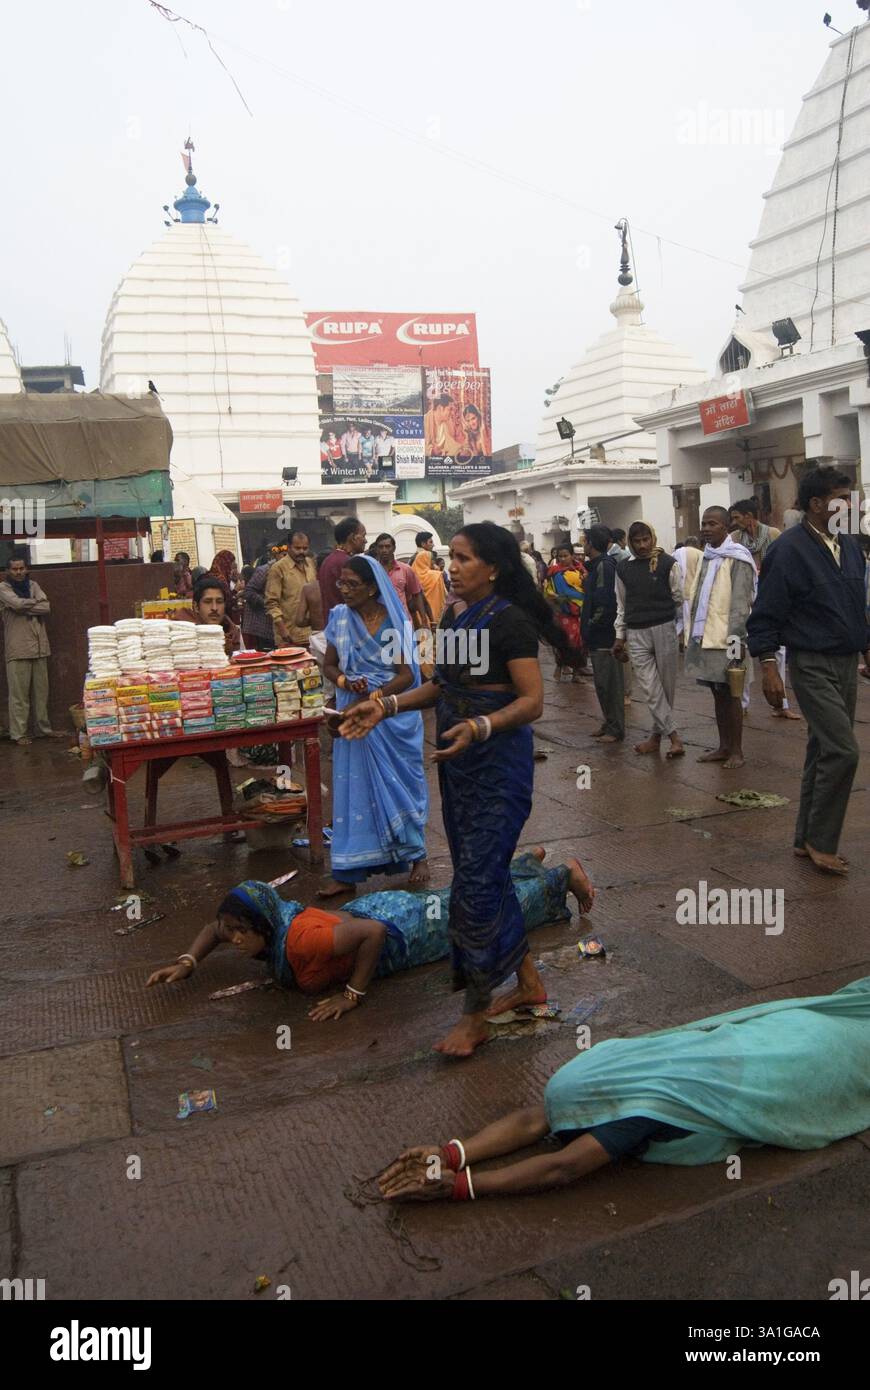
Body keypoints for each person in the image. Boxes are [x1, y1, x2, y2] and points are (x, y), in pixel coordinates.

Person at [340, 522, 577, 1057]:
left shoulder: (510, 622)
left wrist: (481, 727)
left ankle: (474, 1016)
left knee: (473, 887)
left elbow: (532, 700)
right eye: (453, 557)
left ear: (493, 567)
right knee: (486, 876)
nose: (455, 566)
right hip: (459, 769)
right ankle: (529, 984)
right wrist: (383, 706)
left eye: (466, 558)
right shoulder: (453, 617)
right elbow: (442, 686)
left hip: (498, 769)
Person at [376, 975, 870, 1202]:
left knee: (846, 1055)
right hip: (765, 1044)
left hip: (797, 1062)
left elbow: (561, 1167)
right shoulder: (600, 1072)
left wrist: (460, 1186)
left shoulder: (634, 1111)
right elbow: (537, 1118)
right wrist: (451, 1152)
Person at [146, 846, 594, 1012]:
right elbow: (213, 928)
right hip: (378, 908)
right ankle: (522, 864)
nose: (234, 940)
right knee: (451, 898)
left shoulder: (299, 938)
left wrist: (352, 995)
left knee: (472, 917)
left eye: (240, 933)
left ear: (259, 925)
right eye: (233, 934)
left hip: (398, 928)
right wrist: (187, 962)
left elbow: (373, 937)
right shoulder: (266, 918)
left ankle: (559, 877)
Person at [747, 465, 870, 875]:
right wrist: (768, 666)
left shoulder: (850, 546)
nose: (850, 505)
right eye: (842, 499)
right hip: (811, 663)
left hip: (846, 662)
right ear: (817, 504)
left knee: (822, 749)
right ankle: (822, 841)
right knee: (843, 750)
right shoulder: (789, 550)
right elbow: (764, 614)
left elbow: (857, 606)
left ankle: (804, 838)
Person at [321, 554, 429, 896]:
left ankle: (418, 855)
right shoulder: (339, 618)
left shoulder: (393, 621)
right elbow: (329, 665)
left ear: (372, 588)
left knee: (401, 786)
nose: (345, 590)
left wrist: (378, 698)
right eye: (342, 583)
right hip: (353, 712)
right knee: (354, 791)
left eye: (353, 584)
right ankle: (347, 872)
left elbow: (408, 675)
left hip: (389, 716)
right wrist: (343, 683)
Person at [684, 507, 756, 770]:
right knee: (717, 693)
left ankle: (736, 750)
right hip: (707, 637)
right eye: (703, 523)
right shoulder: (708, 556)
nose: (705, 528)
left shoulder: (739, 558)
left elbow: (740, 606)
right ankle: (723, 746)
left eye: (712, 523)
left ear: (726, 527)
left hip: (729, 641)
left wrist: (736, 647)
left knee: (732, 693)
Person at [613, 522, 684, 759]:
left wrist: (679, 628)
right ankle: (674, 737)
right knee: (651, 688)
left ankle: (655, 738)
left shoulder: (668, 564)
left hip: (664, 628)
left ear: (653, 538)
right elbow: (622, 605)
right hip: (636, 632)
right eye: (637, 541)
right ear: (631, 543)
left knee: (666, 688)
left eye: (646, 540)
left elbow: (678, 598)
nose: (642, 545)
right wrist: (619, 637)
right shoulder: (623, 568)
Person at [729, 498, 797, 721]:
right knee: (739, 650)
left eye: (737, 517)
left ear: (749, 516)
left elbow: (784, 564)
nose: (734, 522)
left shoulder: (773, 535)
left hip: (769, 596)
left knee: (778, 651)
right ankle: (740, 703)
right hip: (743, 598)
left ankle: (781, 704)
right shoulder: (735, 539)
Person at [0, 552, 63, 745]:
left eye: (21, 568)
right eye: (15, 569)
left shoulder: (33, 585)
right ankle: (19, 734)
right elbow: (16, 604)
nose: (19, 572)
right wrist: (31, 604)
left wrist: (25, 605)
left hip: (39, 647)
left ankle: (42, 729)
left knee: (41, 692)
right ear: (8, 571)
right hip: (18, 649)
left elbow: (46, 608)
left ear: (27, 569)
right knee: (19, 696)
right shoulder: (3, 588)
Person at [581, 525, 624, 743]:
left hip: (604, 635)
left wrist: (590, 625)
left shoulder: (604, 567)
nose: (583, 544)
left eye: (585, 540)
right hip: (598, 634)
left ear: (591, 542)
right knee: (601, 683)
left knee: (609, 684)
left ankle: (615, 728)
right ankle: (609, 723)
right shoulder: (597, 566)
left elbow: (605, 601)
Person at [264, 531, 317, 648]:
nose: (302, 552)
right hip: (289, 637)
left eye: (305, 548)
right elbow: (271, 603)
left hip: (311, 634)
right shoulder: (278, 568)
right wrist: (282, 630)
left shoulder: (311, 564)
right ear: (288, 547)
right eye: (297, 548)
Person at [543, 543, 587, 682]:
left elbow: (583, 589)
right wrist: (555, 597)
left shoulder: (580, 570)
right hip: (561, 612)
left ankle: (576, 673)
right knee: (562, 641)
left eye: (565, 555)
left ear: (572, 555)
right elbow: (547, 590)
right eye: (560, 556)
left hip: (578, 612)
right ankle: (560, 666)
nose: (562, 559)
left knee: (578, 643)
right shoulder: (553, 571)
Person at [319, 516, 367, 624]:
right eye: (363, 535)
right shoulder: (347, 563)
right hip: (347, 626)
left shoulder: (328, 560)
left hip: (332, 625)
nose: (365, 540)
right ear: (352, 537)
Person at [374, 533, 428, 627]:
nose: (384, 550)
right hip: (379, 624)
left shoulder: (405, 569)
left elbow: (417, 594)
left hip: (403, 622)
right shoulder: (372, 571)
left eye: (387, 546)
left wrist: (423, 619)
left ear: (394, 548)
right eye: (381, 547)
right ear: (376, 549)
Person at [179, 575, 241, 657]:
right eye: (208, 602)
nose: (214, 608)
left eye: (219, 602)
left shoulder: (233, 633)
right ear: (196, 607)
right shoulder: (183, 636)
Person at [411, 532, 447, 628]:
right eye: (430, 542)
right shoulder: (425, 556)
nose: (433, 545)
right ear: (423, 544)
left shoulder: (413, 560)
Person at [240, 558, 276, 652]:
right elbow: (249, 592)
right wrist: (267, 603)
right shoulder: (265, 570)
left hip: (276, 626)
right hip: (261, 626)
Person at [209, 550, 240, 623]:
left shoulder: (214, 575)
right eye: (231, 567)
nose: (233, 571)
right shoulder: (220, 579)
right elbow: (226, 603)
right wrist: (236, 591)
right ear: (225, 564)